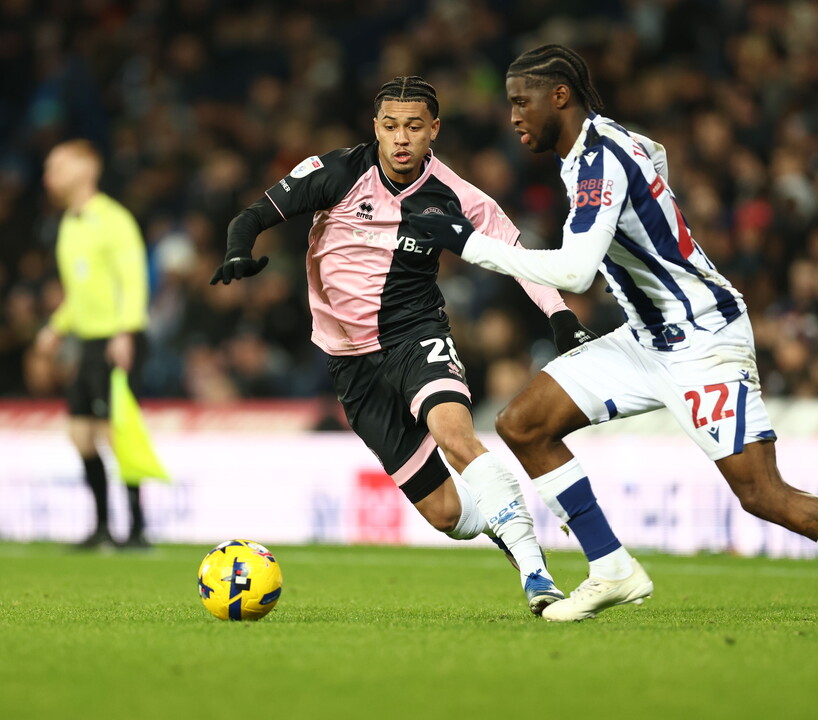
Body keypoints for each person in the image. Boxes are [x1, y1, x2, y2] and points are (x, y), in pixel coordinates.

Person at [409, 45, 818, 628]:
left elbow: (575, 271)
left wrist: (467, 243)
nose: (513, 116)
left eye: (522, 102)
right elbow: (659, 156)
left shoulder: (598, 160)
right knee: (523, 423)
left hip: (703, 339)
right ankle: (612, 567)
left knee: (762, 493)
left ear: (559, 96)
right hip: (648, 337)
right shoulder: (602, 143)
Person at [210, 76, 597, 615]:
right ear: (375, 127)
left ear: (433, 130)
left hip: (415, 334)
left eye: (414, 127)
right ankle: (506, 506)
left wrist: (558, 316)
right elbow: (253, 215)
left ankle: (537, 577)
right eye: (390, 126)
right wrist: (236, 250)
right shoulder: (337, 172)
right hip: (348, 362)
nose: (401, 139)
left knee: (456, 436)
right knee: (445, 514)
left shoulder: (455, 195)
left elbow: (515, 251)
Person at [34, 139, 151, 549]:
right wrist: (56, 326)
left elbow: (133, 281)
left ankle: (136, 529)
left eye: (57, 166)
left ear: (87, 169)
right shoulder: (69, 222)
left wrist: (125, 332)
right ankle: (101, 527)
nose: (49, 176)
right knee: (80, 434)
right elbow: (80, 289)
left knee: (114, 433)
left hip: (114, 339)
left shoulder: (113, 220)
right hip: (86, 341)